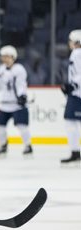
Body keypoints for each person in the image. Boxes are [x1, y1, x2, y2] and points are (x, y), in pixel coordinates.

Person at [0, 45, 33, 157]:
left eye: (7, 56)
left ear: (13, 57)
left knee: (22, 125)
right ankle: (3, 145)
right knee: (0, 125)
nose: (5, 59)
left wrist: (22, 96)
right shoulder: (1, 69)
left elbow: (20, 84)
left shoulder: (19, 69)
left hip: (17, 105)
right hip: (5, 104)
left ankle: (28, 145)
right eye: (3, 56)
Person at [60, 29, 81, 164]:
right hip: (76, 93)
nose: (69, 43)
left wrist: (72, 86)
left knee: (70, 122)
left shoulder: (77, 53)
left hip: (77, 94)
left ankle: (75, 152)